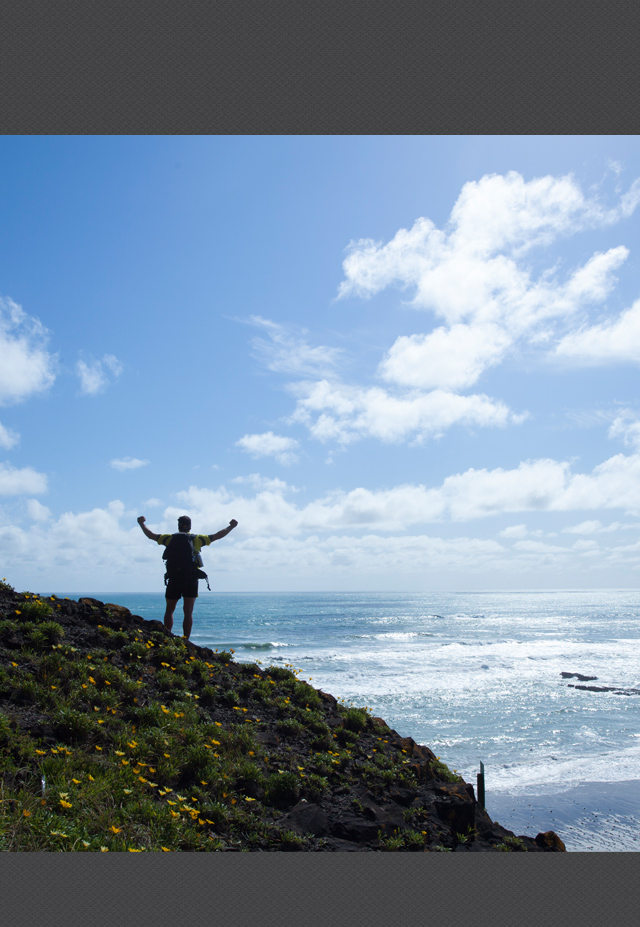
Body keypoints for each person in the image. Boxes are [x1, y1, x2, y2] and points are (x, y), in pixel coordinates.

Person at [137, 514, 238, 641]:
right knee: (188, 611)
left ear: (178, 526)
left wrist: (141, 524)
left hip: (174, 578)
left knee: (169, 610)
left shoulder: (169, 538)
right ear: (190, 527)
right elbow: (217, 535)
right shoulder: (197, 539)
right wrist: (231, 527)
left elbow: (151, 535)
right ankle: (186, 640)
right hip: (191, 578)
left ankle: (167, 637)